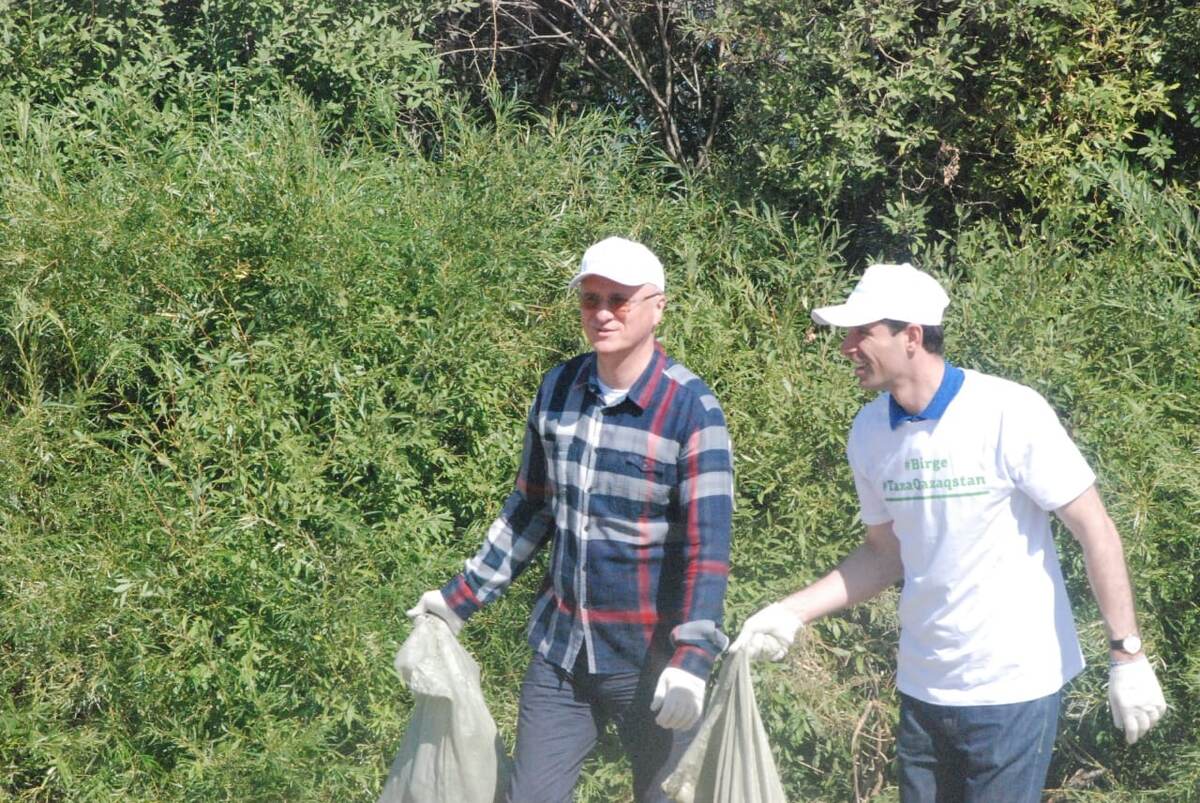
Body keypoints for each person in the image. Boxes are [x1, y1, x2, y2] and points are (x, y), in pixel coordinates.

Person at [732, 263, 1167, 802]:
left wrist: (1127, 656)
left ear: (912, 336)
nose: (846, 347)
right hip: (924, 689)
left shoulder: (1008, 411)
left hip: (1013, 689)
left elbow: (1095, 530)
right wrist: (789, 612)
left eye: (862, 332)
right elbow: (883, 555)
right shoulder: (869, 431)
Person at [407, 236, 734, 802]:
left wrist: (693, 659)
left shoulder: (691, 409)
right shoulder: (558, 388)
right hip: (562, 654)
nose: (603, 313)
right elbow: (531, 508)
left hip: (651, 662)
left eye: (619, 299)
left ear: (657, 306)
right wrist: (458, 599)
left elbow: (708, 550)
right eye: (591, 299)